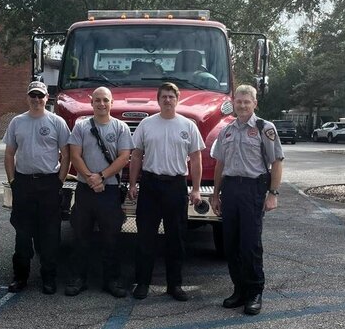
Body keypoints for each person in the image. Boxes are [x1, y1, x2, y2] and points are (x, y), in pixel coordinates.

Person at [210, 84, 284, 316]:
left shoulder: (265, 128)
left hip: (253, 190)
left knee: (250, 244)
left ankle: (254, 292)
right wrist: (215, 194)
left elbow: (277, 162)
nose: (242, 105)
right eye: (238, 101)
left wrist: (272, 194)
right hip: (230, 190)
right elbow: (220, 164)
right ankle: (239, 290)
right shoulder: (226, 130)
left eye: (246, 101)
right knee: (230, 244)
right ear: (233, 103)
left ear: (254, 103)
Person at [128, 82, 204, 301]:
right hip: (150, 185)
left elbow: (196, 158)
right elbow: (136, 155)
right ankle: (142, 283)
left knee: (177, 238)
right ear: (158, 99)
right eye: (164, 96)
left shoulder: (187, 125)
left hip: (176, 186)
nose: (168, 100)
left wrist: (197, 188)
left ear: (177, 99)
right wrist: (133, 184)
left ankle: (175, 285)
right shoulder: (147, 124)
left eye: (171, 96)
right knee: (145, 238)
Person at [65, 86, 133, 298]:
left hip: (110, 190)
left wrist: (101, 176)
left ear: (111, 103)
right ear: (91, 102)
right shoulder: (81, 127)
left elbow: (124, 157)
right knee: (80, 236)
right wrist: (90, 178)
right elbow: (75, 155)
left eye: (105, 100)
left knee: (111, 238)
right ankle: (78, 278)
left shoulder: (121, 127)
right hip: (85, 189)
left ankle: (111, 280)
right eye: (97, 100)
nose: (101, 104)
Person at [4, 81, 70, 294]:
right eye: (32, 95)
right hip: (23, 183)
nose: (36, 99)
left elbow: (66, 154)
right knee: (22, 233)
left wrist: (59, 180)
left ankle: (49, 278)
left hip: (49, 183)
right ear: (27, 97)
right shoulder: (17, 122)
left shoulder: (57, 122)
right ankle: (20, 276)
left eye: (40, 96)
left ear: (46, 98)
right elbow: (9, 154)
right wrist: (13, 181)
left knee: (50, 234)